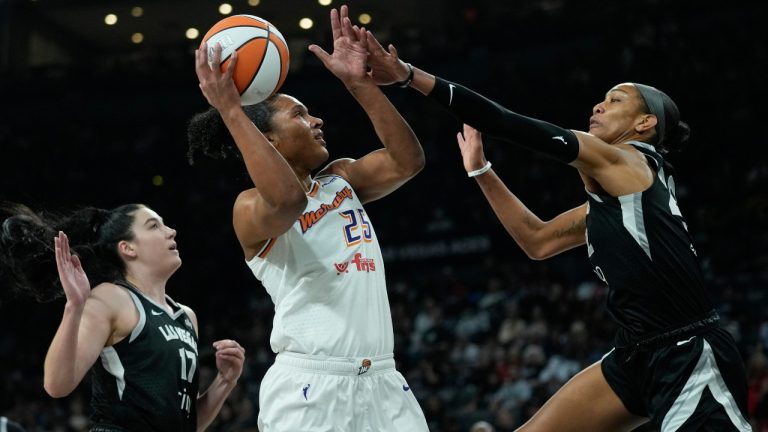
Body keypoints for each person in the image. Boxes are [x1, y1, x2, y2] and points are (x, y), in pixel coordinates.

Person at [358, 24, 752, 432]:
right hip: (636, 352)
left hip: (688, 348)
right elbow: (538, 242)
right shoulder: (618, 199)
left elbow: (505, 121)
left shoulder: (629, 162)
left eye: (615, 100)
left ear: (645, 123)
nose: (599, 106)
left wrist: (408, 75)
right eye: (600, 99)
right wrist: (480, 170)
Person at [187, 5, 429, 432]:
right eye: (298, 114)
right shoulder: (248, 207)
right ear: (269, 138)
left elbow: (407, 161)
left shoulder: (342, 179)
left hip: (384, 381)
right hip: (311, 385)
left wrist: (359, 84)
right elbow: (287, 203)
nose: (317, 120)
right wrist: (232, 111)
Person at [0, 203, 245, 431]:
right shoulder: (111, 298)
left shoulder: (186, 317)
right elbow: (56, 384)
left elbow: (185, 424)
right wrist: (74, 306)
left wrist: (224, 381)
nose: (171, 231)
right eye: (154, 226)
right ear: (127, 248)